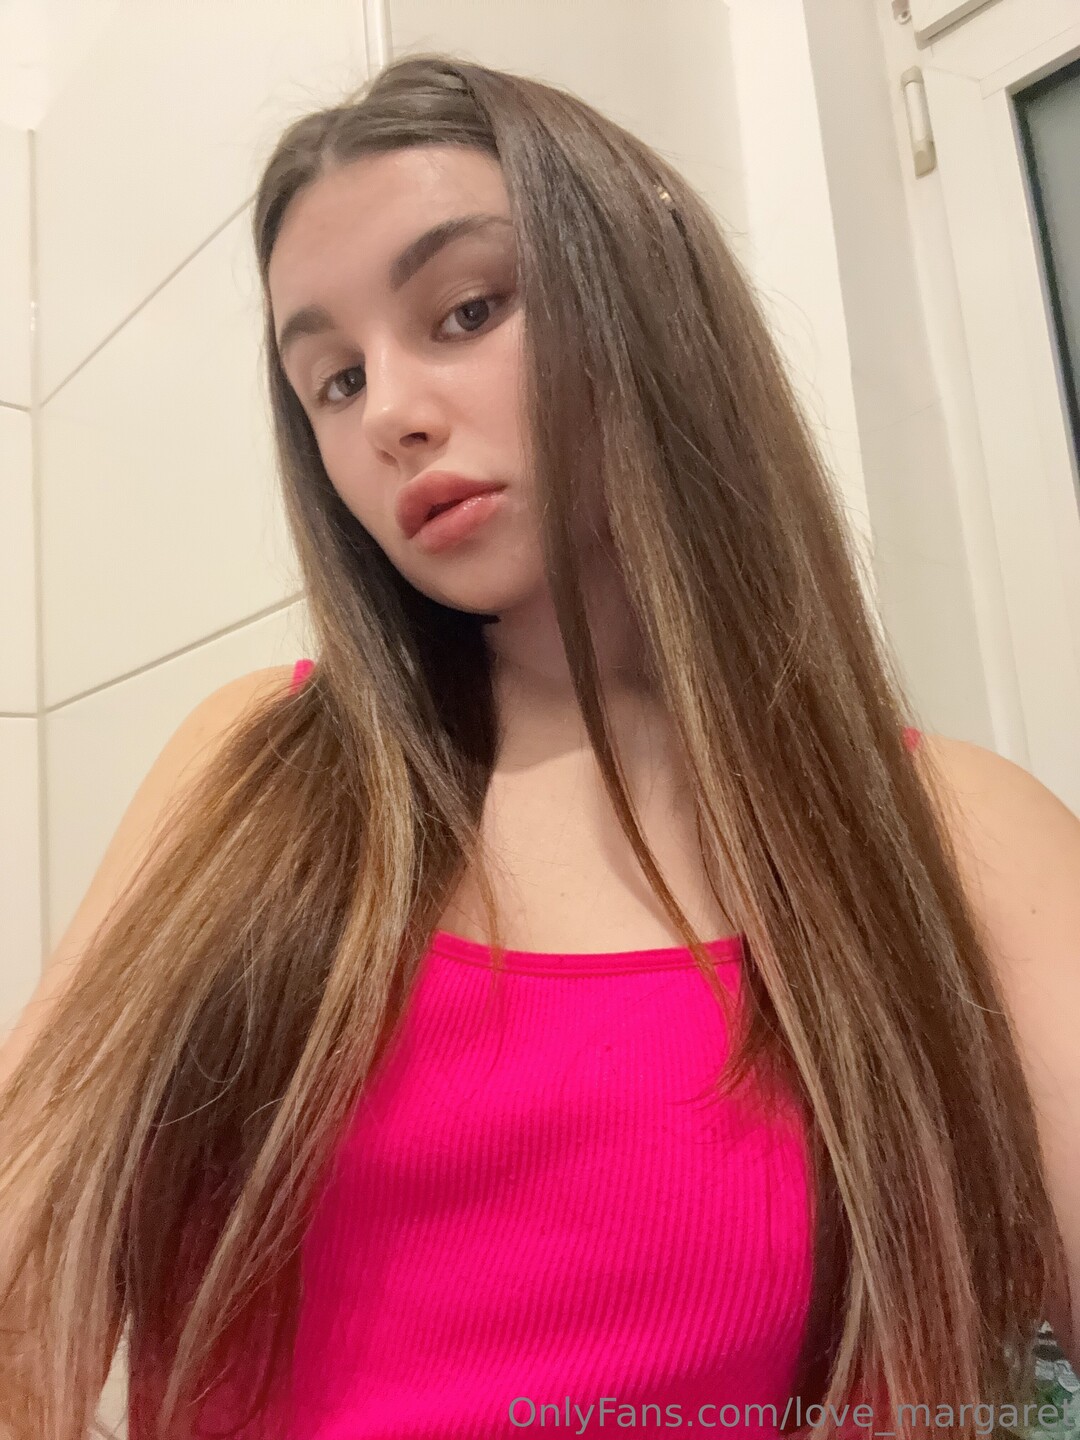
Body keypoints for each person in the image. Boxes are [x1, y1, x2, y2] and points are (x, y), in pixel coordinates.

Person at [1, 52, 1078, 1440]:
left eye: (466, 310)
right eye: (333, 380)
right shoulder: (254, 771)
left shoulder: (962, 838)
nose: (391, 414)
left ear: (646, 301)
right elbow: (23, 1269)